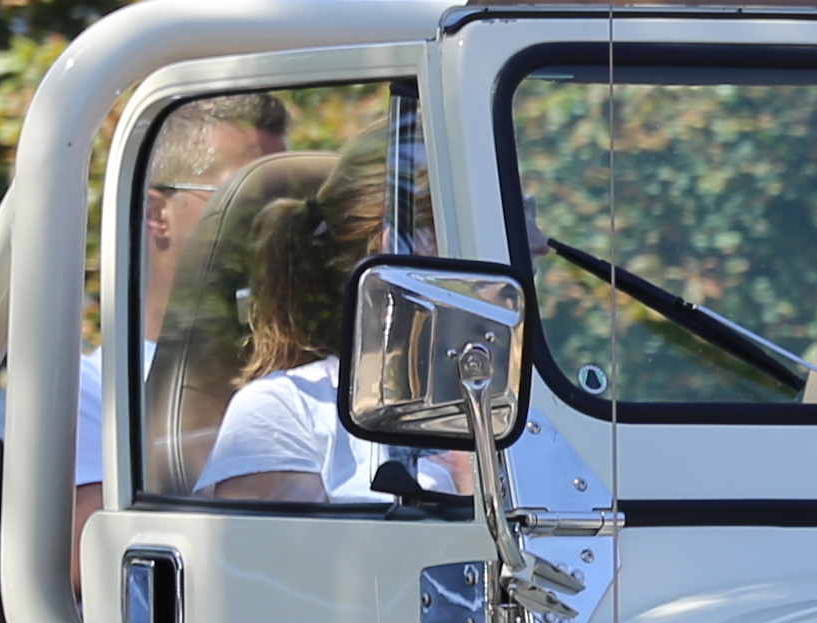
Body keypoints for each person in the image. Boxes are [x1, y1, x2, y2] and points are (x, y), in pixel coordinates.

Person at [195, 124, 568, 506]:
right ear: (404, 245)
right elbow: (277, 564)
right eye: (505, 217)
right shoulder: (283, 411)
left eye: (528, 210)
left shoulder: (544, 407)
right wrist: (469, 477)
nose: (539, 243)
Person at [71, 92, 289, 552]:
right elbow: (85, 557)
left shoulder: (311, 367)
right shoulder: (91, 394)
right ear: (156, 214)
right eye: (247, 195)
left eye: (289, 200)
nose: (278, 221)